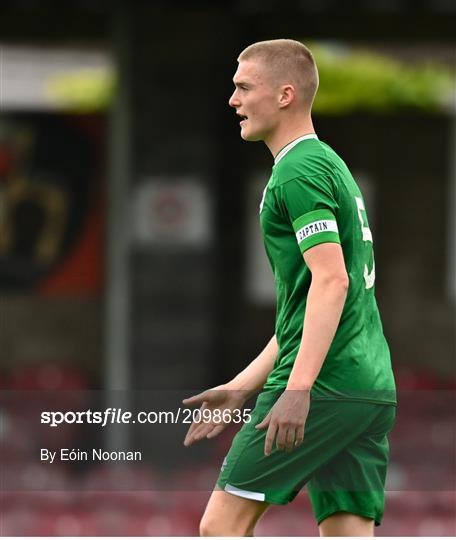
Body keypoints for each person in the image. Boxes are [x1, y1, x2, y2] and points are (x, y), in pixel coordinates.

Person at [183, 39, 396, 537]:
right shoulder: (329, 164)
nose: (233, 100)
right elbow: (309, 305)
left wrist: (297, 389)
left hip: (324, 381)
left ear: (284, 95)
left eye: (243, 87)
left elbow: (331, 280)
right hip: (369, 385)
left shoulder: (296, 172)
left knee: (220, 528)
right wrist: (241, 386)